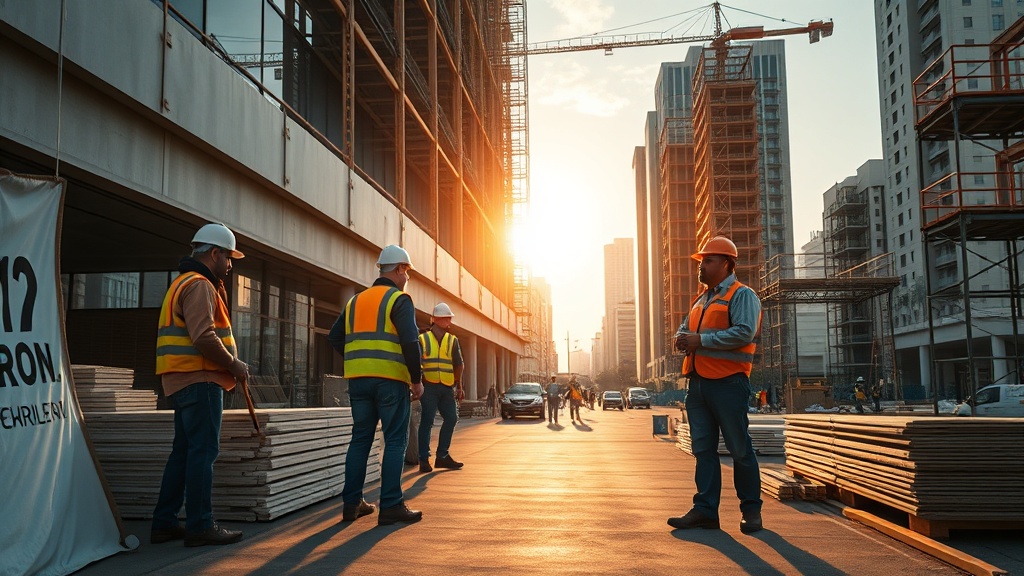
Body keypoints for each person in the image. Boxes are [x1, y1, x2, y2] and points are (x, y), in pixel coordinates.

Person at [151, 223, 248, 547]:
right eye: (228, 257)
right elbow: (204, 336)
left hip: (180, 380)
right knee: (203, 452)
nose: (231, 265)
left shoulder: (181, 282)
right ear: (215, 253)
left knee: (183, 452)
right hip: (200, 379)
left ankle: (165, 523)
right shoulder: (200, 285)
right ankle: (200, 525)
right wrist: (234, 365)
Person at [668, 236, 763, 534]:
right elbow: (685, 330)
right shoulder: (701, 300)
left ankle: (751, 512)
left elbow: (745, 333)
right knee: (703, 451)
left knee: (739, 449)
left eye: (707, 261)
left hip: (728, 383)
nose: (701, 266)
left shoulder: (741, 295)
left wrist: (701, 340)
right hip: (697, 385)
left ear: (726, 263)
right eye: (700, 261)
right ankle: (706, 510)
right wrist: (681, 339)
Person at [328, 245, 425, 526]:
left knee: (360, 439)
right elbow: (410, 341)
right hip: (390, 381)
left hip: (359, 381)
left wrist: (359, 359)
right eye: (406, 272)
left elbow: (335, 338)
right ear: (399, 269)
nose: (407, 278)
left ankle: (352, 504)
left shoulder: (356, 301)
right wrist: (417, 380)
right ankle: (391, 505)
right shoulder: (399, 299)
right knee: (395, 440)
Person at [417, 302, 465, 473]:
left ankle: (442, 456)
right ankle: (424, 459)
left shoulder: (452, 340)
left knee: (451, 418)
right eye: (446, 319)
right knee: (427, 421)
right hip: (428, 386)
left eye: (449, 319)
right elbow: (416, 363)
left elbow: (459, 364)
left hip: (446, 387)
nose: (449, 323)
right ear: (436, 320)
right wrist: (416, 384)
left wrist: (458, 385)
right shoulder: (422, 339)